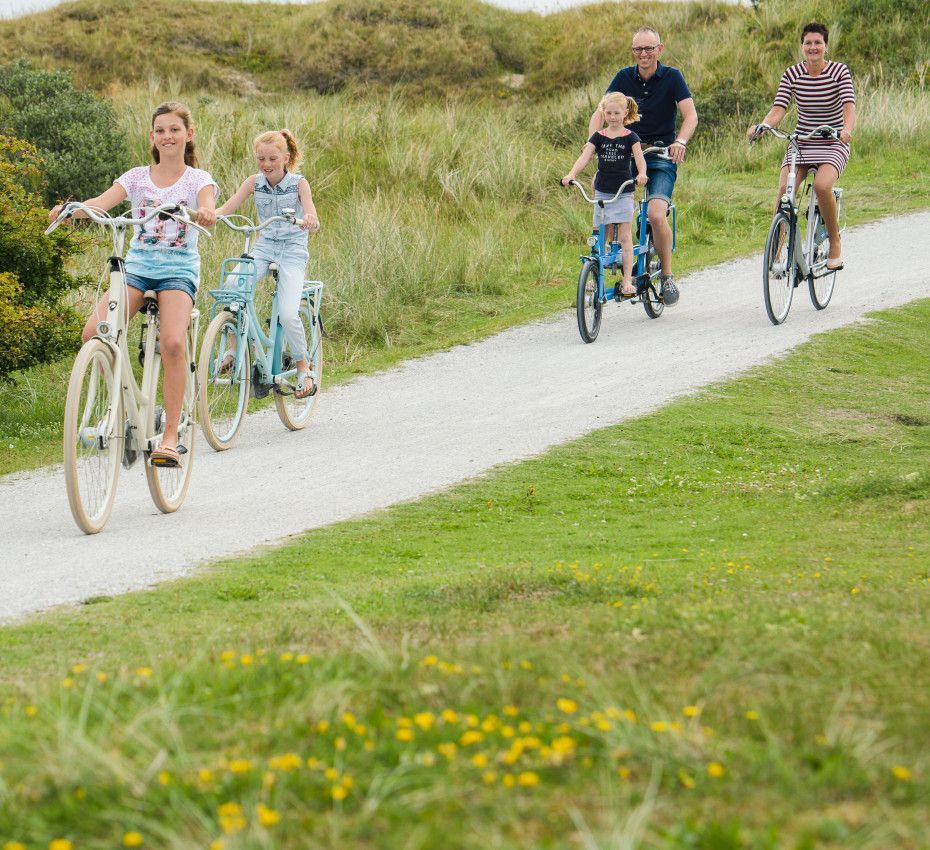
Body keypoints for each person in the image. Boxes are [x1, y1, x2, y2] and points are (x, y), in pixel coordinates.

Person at [49, 101, 217, 467]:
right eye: (160, 130)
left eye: (174, 129)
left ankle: (170, 435)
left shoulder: (198, 180)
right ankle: (121, 407)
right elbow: (101, 204)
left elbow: (208, 209)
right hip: (138, 268)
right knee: (95, 331)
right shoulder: (137, 177)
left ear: (188, 135)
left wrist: (206, 213)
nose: (167, 136)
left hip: (177, 270)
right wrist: (70, 210)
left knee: (172, 342)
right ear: (152, 137)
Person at [588, 26, 697, 306]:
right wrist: (591, 144)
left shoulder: (672, 77)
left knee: (657, 215)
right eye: (638, 49)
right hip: (625, 154)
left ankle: (668, 276)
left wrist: (681, 141)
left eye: (649, 48)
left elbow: (690, 116)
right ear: (633, 51)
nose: (644, 54)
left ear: (660, 49)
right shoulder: (624, 77)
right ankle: (609, 261)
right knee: (607, 205)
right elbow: (600, 112)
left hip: (661, 156)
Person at [216, 129, 321, 399]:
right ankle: (231, 349)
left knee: (287, 314)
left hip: (293, 250)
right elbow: (227, 207)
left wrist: (309, 219)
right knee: (232, 286)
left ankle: (303, 368)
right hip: (264, 247)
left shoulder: (299, 184)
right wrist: (208, 216)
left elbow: (312, 214)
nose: (266, 164)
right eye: (261, 158)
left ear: (286, 157)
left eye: (273, 158)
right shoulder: (254, 182)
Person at [748, 22, 855, 270]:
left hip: (832, 141)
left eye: (818, 42)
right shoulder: (792, 74)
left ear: (826, 46)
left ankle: (835, 242)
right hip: (802, 142)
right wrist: (762, 126)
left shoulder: (839, 72)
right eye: (808, 43)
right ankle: (775, 252)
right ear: (802, 46)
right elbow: (778, 109)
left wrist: (846, 130)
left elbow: (849, 107)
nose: (813, 47)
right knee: (785, 194)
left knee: (821, 185)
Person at [563, 92, 648, 298]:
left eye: (617, 113)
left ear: (625, 113)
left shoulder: (631, 138)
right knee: (601, 236)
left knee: (626, 237)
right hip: (602, 192)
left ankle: (627, 279)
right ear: (604, 113)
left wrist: (642, 174)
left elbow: (639, 160)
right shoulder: (598, 137)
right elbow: (585, 157)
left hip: (623, 192)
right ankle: (595, 275)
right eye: (608, 113)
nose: (612, 117)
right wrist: (572, 174)